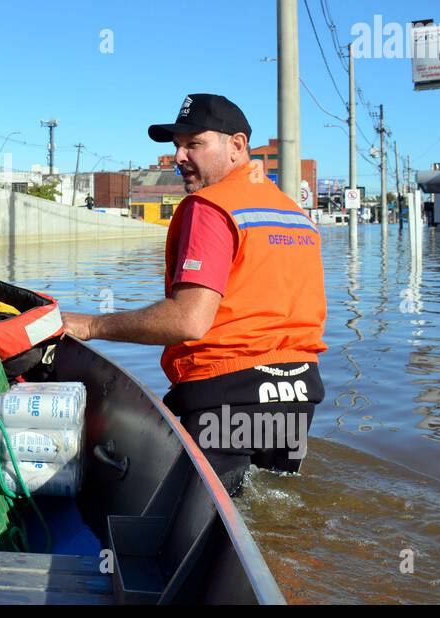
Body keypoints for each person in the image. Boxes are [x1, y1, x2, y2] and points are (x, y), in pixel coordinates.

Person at [62, 94, 326, 494]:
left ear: (236, 145)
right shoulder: (295, 215)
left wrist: (91, 324)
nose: (179, 157)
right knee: (270, 516)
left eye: (194, 144)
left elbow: (189, 319)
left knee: (203, 531)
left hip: (225, 391)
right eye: (176, 146)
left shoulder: (211, 206)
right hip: (297, 391)